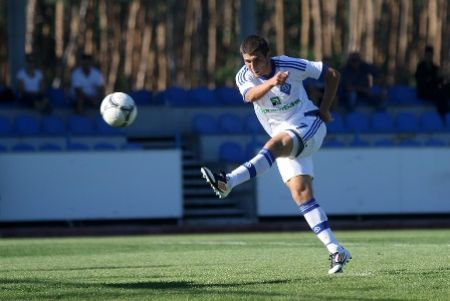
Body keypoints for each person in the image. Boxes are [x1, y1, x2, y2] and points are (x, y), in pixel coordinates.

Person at [200, 35, 351, 274]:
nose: (251, 66)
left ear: (268, 55)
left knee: (275, 144)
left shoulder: (290, 65)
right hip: (284, 134)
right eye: (247, 61)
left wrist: (324, 109)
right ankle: (336, 250)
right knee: (301, 193)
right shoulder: (244, 76)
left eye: (256, 60)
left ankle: (228, 181)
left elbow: (333, 74)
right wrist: (271, 83)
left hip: (307, 124)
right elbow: (250, 96)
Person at [415, 45, 449, 117]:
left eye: (431, 54)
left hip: (434, 89)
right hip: (424, 91)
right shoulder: (421, 67)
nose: (429, 56)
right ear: (425, 55)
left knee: (445, 89)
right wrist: (432, 79)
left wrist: (442, 78)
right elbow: (422, 81)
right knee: (439, 94)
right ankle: (443, 113)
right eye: (428, 54)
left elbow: (438, 81)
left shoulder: (435, 67)